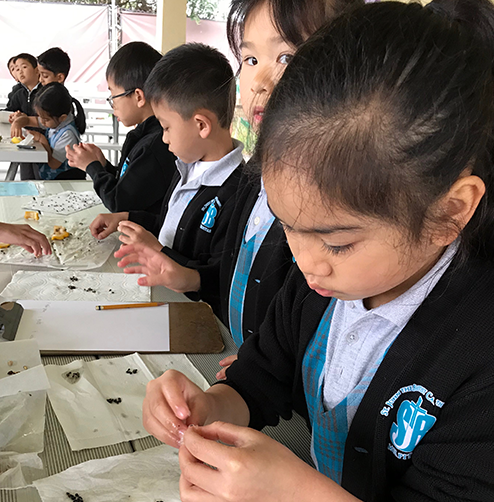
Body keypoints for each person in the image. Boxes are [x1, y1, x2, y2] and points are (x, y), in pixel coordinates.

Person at [141, 1, 494, 502]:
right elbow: (261, 375)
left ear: (449, 212)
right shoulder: (323, 283)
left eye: (336, 240)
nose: (305, 262)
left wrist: (292, 494)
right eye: (286, 227)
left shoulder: (482, 341)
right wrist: (207, 409)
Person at [114, 0, 362, 376]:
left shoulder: (337, 208)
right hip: (236, 359)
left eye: (287, 58)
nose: (259, 82)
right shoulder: (254, 179)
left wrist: (263, 372)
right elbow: (232, 273)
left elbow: (317, 327)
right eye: (250, 60)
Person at [90, 43, 244, 274]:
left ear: (201, 125)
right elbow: (169, 224)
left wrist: (160, 253)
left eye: (166, 127)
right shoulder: (187, 166)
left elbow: (217, 276)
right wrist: (126, 217)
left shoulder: (236, 194)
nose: (163, 139)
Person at [66, 42, 176, 215]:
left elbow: (119, 202)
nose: (112, 104)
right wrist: (103, 165)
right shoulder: (143, 136)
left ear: (138, 96)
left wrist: (92, 167)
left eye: (113, 95)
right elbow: (128, 184)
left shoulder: (155, 145)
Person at [29, 82, 85, 180]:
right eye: (39, 117)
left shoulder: (68, 135)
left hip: (65, 181)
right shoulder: (56, 121)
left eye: (45, 120)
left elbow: (53, 164)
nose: (42, 122)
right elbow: (40, 121)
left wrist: (41, 139)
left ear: (62, 117)